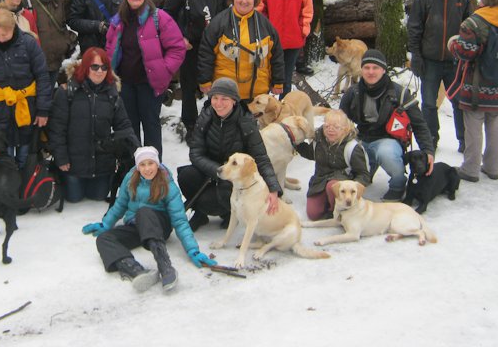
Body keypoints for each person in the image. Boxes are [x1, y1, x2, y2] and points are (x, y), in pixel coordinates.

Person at [82, 146, 216, 292]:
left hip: (159, 227)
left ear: (157, 164)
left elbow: (179, 220)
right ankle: (135, 270)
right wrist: (105, 224)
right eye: (142, 164)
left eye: (150, 163)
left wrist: (193, 250)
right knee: (103, 239)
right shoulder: (131, 178)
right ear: (137, 166)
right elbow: (120, 205)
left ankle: (165, 265)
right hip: (136, 226)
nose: (147, 169)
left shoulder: (167, 183)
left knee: (143, 212)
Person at [177, 78, 282, 231]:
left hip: (234, 177)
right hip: (211, 170)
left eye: (224, 99)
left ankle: (229, 214)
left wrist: (273, 188)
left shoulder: (246, 122)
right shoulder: (205, 117)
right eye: (215, 98)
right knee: (186, 176)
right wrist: (218, 170)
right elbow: (195, 153)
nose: (218, 103)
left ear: (234, 101)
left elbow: (260, 158)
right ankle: (200, 214)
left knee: (209, 200)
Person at [105, 0, 186, 155]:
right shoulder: (118, 21)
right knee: (129, 127)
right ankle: (133, 169)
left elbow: (177, 47)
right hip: (125, 83)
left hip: (150, 83)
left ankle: (154, 169)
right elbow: (110, 46)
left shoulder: (159, 18)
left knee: (151, 126)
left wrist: (165, 70)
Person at [339, 49, 435, 201]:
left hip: (389, 140)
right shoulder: (352, 93)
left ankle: (398, 185)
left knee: (386, 153)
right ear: (361, 69)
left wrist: (428, 150)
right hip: (362, 138)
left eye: (375, 68)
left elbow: (419, 124)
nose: (371, 72)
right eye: (367, 67)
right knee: (346, 151)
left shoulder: (400, 93)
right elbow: (340, 121)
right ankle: (364, 174)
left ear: (383, 69)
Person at [448, 0, 498, 182]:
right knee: (495, 124)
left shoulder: (473, 22)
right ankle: (493, 167)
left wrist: (453, 44)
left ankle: (470, 169)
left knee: (473, 126)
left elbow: (465, 52)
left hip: (476, 84)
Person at [48, 47, 140, 202]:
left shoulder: (112, 94)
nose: (99, 71)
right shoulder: (66, 92)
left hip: (102, 164)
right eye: (95, 67)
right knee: (74, 198)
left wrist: (139, 153)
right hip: (73, 164)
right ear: (85, 67)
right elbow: (57, 129)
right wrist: (61, 158)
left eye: (104, 67)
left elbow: (124, 126)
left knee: (98, 196)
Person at [0, 4, 52, 169]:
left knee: (25, 152)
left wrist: (43, 110)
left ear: (13, 28)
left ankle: (24, 185)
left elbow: (42, 76)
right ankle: (7, 184)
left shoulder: (29, 43)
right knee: (3, 152)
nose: (0, 38)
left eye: (5, 34)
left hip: (26, 106)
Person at [408, 0, 474, 153]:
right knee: (429, 103)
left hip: (455, 62)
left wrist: (467, 56)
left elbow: (471, 29)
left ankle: (464, 141)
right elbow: (414, 28)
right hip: (430, 60)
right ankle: (431, 141)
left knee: (459, 102)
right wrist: (416, 56)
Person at [163, 0, 228, 137]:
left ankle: (214, 119)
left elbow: (224, 11)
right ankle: (190, 125)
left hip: (213, 42)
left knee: (216, 83)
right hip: (189, 43)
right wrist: (179, 37)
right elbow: (168, 15)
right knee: (189, 85)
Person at [197, 0, 285, 103]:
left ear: (255, 0)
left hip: (257, 97)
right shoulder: (219, 23)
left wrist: (278, 82)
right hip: (225, 95)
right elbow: (206, 53)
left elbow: (276, 55)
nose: (244, 1)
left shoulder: (265, 25)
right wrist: (205, 80)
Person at [256, 0, 313, 96]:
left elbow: (307, 9)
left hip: (293, 37)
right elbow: (259, 7)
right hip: (270, 38)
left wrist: (304, 30)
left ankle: (285, 108)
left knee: (286, 77)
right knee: (267, 74)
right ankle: (265, 108)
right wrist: (263, 28)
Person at [294, 109, 370, 220]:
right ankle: (328, 202)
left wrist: (354, 189)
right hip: (320, 180)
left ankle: (338, 213)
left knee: (333, 186)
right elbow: (311, 154)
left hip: (343, 182)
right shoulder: (319, 141)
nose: (330, 130)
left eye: (336, 127)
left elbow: (364, 174)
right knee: (313, 214)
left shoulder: (352, 147)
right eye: (327, 126)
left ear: (345, 129)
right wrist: (295, 141)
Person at [26, 0, 76, 86]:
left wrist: (65, 43)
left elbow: (62, 23)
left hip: (55, 59)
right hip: (36, 60)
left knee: (48, 97)